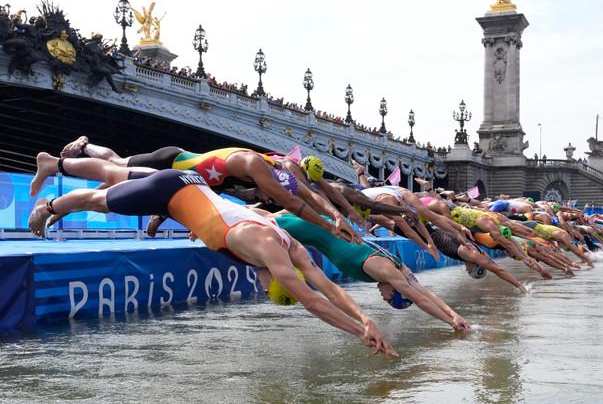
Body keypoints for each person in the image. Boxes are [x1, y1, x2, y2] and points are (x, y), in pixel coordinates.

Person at [28, 166, 397, 357]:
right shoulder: (267, 246)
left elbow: (329, 286)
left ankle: (58, 204)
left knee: (112, 180)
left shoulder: (292, 246)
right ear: (277, 278)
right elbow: (314, 299)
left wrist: (366, 317)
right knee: (97, 198)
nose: (259, 285)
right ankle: (48, 206)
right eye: (267, 286)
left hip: (192, 190)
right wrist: (361, 331)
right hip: (172, 189)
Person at [41, 142, 360, 243]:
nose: (272, 195)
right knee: (114, 166)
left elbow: (306, 196)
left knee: (116, 179)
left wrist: (333, 215)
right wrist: (331, 226)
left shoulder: (283, 169)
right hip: (172, 161)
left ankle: (61, 205)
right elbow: (294, 201)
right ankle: (82, 148)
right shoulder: (256, 165)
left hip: (186, 177)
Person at [271, 212, 473, 330]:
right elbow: (421, 300)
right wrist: (450, 322)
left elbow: (426, 293)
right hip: (311, 229)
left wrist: (454, 315)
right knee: (259, 223)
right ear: (395, 291)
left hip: (320, 225)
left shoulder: (401, 268)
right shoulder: (386, 271)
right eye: (387, 299)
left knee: (262, 215)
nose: (381, 297)